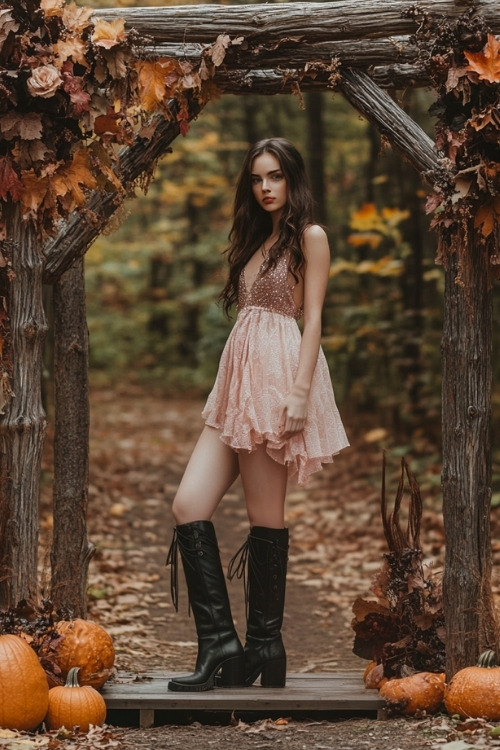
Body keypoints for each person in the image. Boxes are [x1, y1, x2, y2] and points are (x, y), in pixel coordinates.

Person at [166, 137, 349, 693]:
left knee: (264, 516)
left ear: (293, 179)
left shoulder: (309, 238)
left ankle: (266, 644)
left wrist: (298, 392)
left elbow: (312, 320)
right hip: (236, 385)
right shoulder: (255, 239)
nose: (266, 187)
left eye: (275, 176)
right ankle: (222, 642)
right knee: (187, 504)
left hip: (275, 382)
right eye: (256, 178)